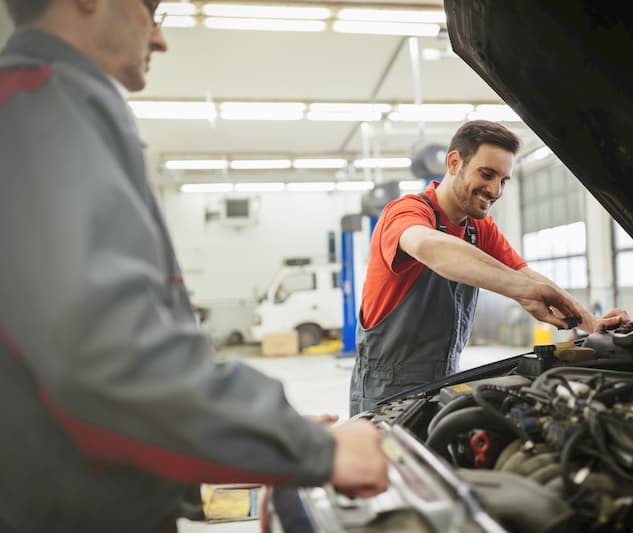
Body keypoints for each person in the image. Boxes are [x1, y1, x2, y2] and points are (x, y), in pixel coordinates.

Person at [0, 1, 387, 532]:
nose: (160, 40)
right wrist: (309, 447)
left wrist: (242, 439)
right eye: (150, 11)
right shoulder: (38, 101)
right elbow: (104, 350)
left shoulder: (44, 104)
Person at [350, 120, 630, 415]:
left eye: (504, 180)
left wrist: (591, 323)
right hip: (388, 386)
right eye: (487, 174)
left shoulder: (478, 227)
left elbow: (527, 275)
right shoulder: (406, 211)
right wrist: (524, 292)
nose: (495, 190)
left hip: (446, 377)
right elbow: (430, 248)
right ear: (454, 162)